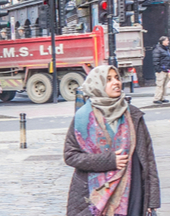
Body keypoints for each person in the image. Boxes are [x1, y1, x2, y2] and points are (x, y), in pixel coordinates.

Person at [64, 65, 160, 216]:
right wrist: (109, 160)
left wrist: (152, 201)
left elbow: (148, 159)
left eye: (117, 78)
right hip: (92, 196)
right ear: (97, 84)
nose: (116, 82)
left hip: (132, 192)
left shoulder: (133, 115)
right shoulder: (83, 118)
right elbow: (70, 155)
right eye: (108, 79)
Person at [153, 36, 170, 104]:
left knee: (164, 85)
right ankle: (157, 98)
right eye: (167, 40)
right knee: (160, 84)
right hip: (161, 70)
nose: (168, 42)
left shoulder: (166, 49)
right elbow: (156, 61)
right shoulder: (158, 50)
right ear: (162, 42)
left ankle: (162, 98)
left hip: (166, 69)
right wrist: (159, 70)